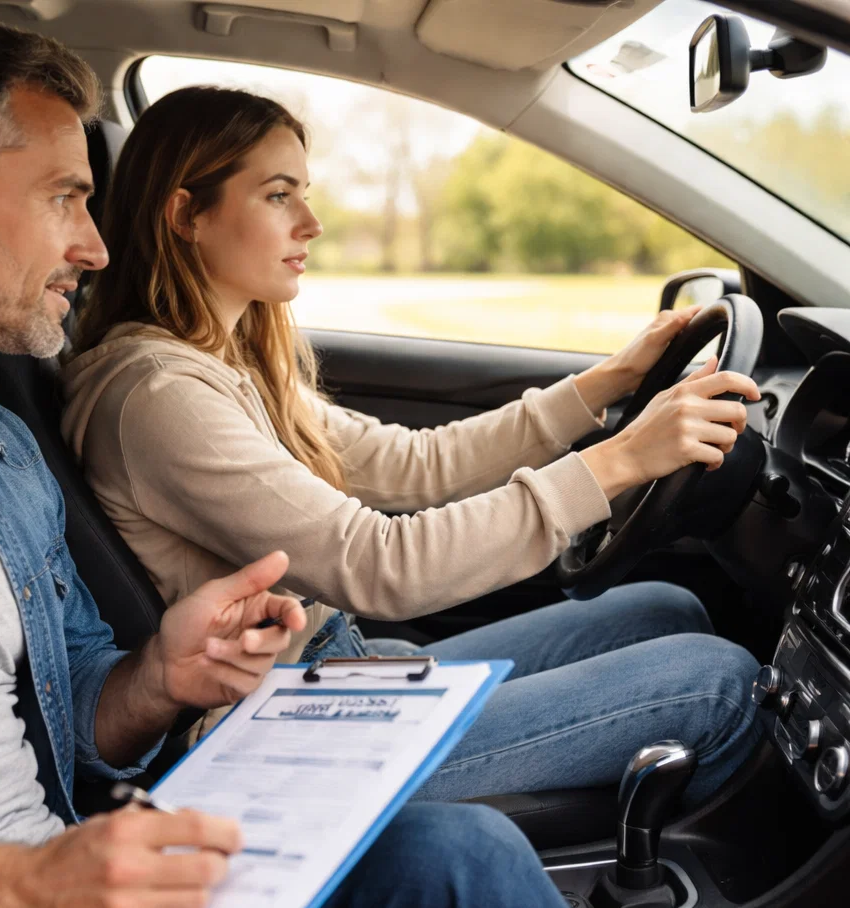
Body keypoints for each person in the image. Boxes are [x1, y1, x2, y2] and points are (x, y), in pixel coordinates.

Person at [0, 17, 634, 908]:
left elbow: (79, 708)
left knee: (461, 859)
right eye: (64, 197)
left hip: (61, 887)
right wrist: (18, 891)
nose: (94, 241)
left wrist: (158, 677)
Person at [62, 85, 763, 802]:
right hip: (269, 738)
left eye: (304, 193)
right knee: (720, 685)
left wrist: (606, 384)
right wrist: (621, 461)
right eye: (279, 196)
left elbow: (413, 463)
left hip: (331, 675)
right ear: (186, 214)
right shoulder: (159, 394)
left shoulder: (219, 362)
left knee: (663, 611)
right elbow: (379, 564)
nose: (312, 223)